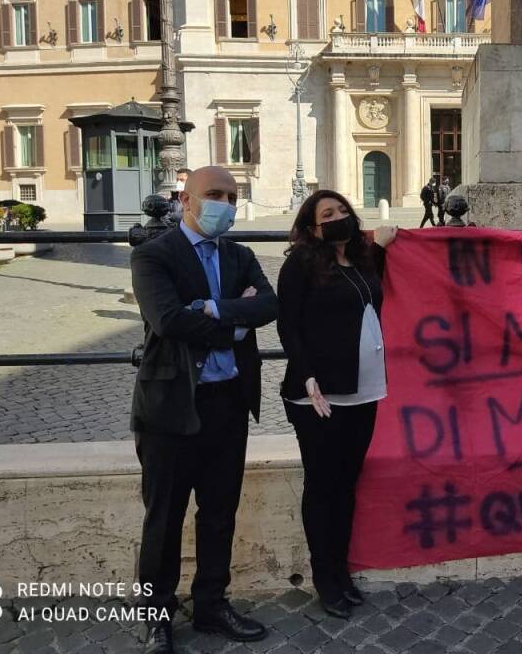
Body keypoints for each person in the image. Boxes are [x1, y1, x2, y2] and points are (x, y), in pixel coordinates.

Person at [130, 166, 278, 653]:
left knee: (219, 513)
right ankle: (157, 615)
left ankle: (212, 603)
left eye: (232, 196)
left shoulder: (241, 254)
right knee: (165, 516)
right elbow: (169, 320)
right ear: (187, 200)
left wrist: (213, 309)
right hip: (171, 405)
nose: (225, 204)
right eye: (214, 194)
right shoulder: (155, 254)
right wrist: (237, 317)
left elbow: (269, 305)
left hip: (228, 403)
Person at [276, 190, 397, 619]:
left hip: (364, 391)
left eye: (343, 210)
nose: (339, 217)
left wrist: (380, 245)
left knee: (346, 485)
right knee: (322, 485)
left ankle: (341, 570)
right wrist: (307, 375)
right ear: (313, 227)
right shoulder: (300, 264)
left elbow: (368, 293)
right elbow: (287, 325)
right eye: (328, 213)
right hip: (317, 397)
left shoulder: (362, 261)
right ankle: (323, 576)